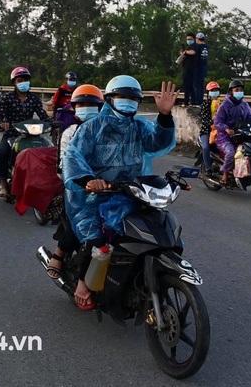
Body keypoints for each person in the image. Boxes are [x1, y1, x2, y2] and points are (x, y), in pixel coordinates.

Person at [62, 76, 178, 310]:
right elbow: (73, 156)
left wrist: (164, 116)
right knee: (96, 239)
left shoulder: (139, 126)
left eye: (133, 98)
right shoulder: (92, 126)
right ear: (110, 99)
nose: (128, 102)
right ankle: (83, 283)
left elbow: (157, 144)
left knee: (157, 228)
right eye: (122, 97)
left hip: (131, 193)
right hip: (93, 196)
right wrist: (88, 180)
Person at [46, 84, 105, 280]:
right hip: (79, 187)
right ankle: (60, 253)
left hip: (111, 186)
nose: (87, 108)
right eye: (82, 104)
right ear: (74, 109)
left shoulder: (108, 131)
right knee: (84, 216)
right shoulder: (70, 132)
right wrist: (87, 181)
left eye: (91, 104)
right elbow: (64, 167)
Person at [0, 66, 52, 198]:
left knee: (46, 151)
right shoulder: (7, 98)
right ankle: (3, 184)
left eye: (25, 79)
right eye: (20, 80)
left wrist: (52, 123)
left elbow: (42, 115)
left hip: (31, 134)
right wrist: (3, 123)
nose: (23, 82)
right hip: (12, 133)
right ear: (14, 83)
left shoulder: (34, 99)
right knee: (3, 153)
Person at [214, 79, 251, 185]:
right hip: (225, 137)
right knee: (231, 153)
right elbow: (217, 121)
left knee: (250, 150)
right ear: (231, 92)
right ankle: (225, 175)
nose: (239, 92)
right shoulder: (224, 106)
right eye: (236, 90)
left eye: (241, 90)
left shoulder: (244, 105)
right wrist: (226, 129)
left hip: (240, 134)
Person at [198, 81, 222, 175]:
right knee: (206, 148)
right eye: (212, 90)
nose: (214, 92)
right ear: (208, 93)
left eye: (216, 90)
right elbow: (205, 120)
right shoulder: (205, 104)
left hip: (220, 131)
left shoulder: (221, 104)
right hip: (206, 131)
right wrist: (213, 123)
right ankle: (208, 168)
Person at [179, 33, 198, 107]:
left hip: (191, 69)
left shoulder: (194, 46)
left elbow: (193, 52)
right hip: (186, 68)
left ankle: (191, 102)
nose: (188, 40)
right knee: (187, 86)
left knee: (190, 86)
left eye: (190, 39)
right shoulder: (189, 47)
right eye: (187, 39)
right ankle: (188, 101)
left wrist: (186, 52)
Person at [194, 33, 209, 105]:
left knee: (197, 85)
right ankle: (200, 100)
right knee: (201, 84)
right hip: (204, 66)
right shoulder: (206, 46)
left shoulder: (198, 47)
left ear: (197, 39)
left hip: (199, 67)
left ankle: (197, 101)